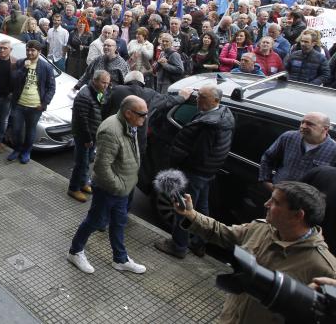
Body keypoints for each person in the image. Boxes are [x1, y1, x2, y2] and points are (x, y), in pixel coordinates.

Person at [173, 182, 336, 323]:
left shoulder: (324, 268)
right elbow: (222, 233)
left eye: (275, 202)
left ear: (297, 215)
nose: (266, 204)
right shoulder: (261, 228)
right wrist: (191, 215)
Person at [67, 96, 149, 275]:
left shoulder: (131, 125)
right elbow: (101, 166)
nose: (145, 118)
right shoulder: (111, 131)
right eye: (142, 114)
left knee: (119, 223)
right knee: (95, 221)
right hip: (109, 189)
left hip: (122, 188)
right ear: (128, 113)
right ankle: (75, 252)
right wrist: (119, 185)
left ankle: (120, 259)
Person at [154, 85, 235, 259]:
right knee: (201, 209)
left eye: (203, 98)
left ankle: (179, 246)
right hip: (206, 173)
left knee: (182, 210)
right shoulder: (223, 114)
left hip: (194, 173)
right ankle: (199, 243)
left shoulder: (210, 125)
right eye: (198, 96)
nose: (198, 100)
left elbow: (199, 154)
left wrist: (179, 161)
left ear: (216, 100)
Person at [7, 40, 56, 164]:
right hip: (19, 104)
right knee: (16, 129)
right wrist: (23, 69)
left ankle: (26, 151)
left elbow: (51, 87)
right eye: (28, 50)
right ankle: (17, 149)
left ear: (39, 52)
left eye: (33, 50)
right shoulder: (20, 63)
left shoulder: (46, 67)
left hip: (35, 106)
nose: (30, 52)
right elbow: (12, 81)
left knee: (30, 130)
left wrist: (44, 103)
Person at [259, 112, 336, 189]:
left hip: (306, 200)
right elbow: (268, 158)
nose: (303, 126)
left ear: (325, 129)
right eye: (302, 122)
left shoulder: (333, 150)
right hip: (276, 192)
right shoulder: (288, 137)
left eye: (309, 124)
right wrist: (266, 181)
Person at [68, 70, 110, 202]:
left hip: (93, 133)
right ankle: (73, 188)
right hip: (84, 135)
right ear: (95, 80)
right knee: (81, 162)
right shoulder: (84, 96)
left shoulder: (99, 92)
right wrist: (87, 139)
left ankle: (83, 182)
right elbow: (82, 120)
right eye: (103, 82)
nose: (106, 86)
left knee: (88, 160)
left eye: (107, 83)